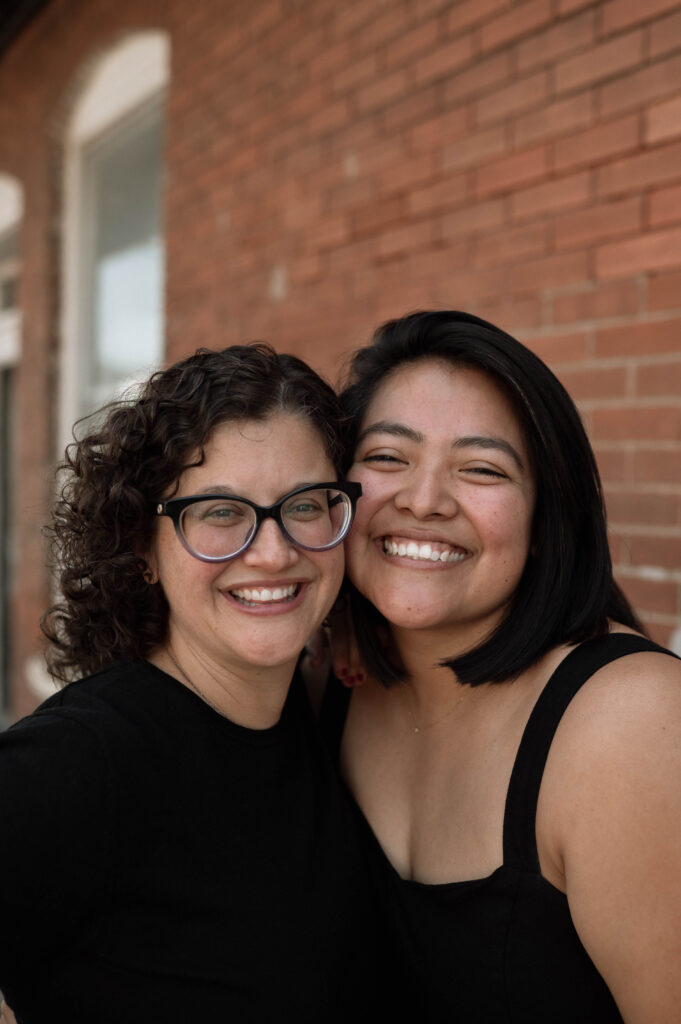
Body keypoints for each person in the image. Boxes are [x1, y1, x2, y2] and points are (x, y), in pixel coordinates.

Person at [0, 343, 389, 1023]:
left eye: (303, 505)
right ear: (143, 548)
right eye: (218, 513)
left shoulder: (317, 709)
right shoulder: (80, 763)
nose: (272, 552)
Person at [322, 310, 681, 1022]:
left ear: (548, 522)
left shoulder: (632, 725)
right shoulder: (322, 684)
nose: (422, 501)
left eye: (481, 469)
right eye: (388, 457)